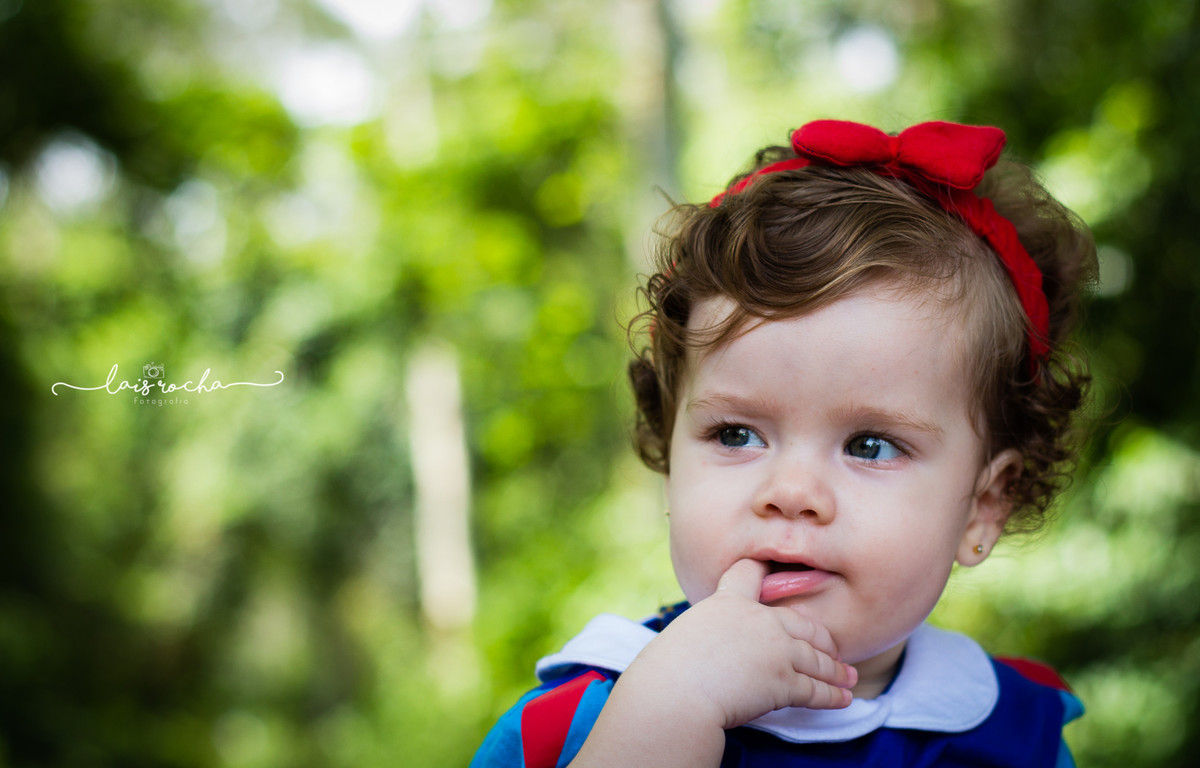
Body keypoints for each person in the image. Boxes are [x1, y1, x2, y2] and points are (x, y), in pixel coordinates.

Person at [471, 119, 1096, 768]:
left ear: (984, 505)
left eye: (871, 445)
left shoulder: (1019, 738)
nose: (791, 493)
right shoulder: (575, 721)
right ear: (669, 455)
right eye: (736, 434)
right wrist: (670, 711)